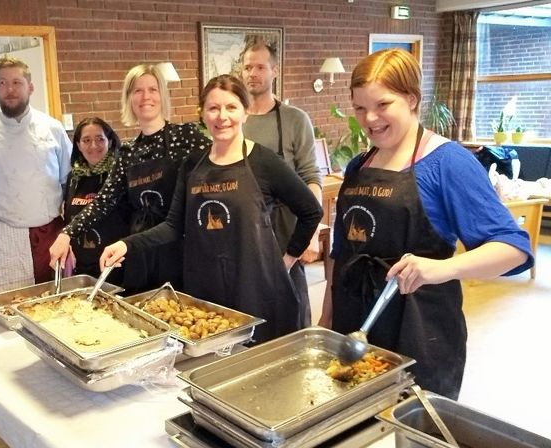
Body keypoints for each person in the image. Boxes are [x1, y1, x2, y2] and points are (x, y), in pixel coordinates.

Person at [319, 49, 532, 399]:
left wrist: (441, 268)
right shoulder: (359, 165)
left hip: (420, 329)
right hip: (354, 321)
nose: (369, 118)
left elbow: (513, 248)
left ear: (412, 99)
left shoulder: (448, 162)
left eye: (382, 104)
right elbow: (341, 251)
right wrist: (328, 320)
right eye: (359, 108)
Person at [101, 75, 323, 343]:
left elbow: (311, 210)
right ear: (203, 114)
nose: (222, 116)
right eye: (213, 108)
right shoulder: (193, 164)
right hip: (205, 289)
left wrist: (287, 259)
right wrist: (126, 245)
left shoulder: (264, 161)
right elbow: (173, 226)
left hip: (256, 287)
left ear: (245, 112)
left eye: (231, 107)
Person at [49, 63, 211, 293]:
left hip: (179, 246)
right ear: (129, 99)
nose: (146, 96)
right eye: (137, 90)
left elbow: (217, 171)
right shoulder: (127, 153)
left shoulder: (187, 137)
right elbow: (104, 201)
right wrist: (67, 233)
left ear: (162, 95)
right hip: (140, 248)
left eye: (152, 89)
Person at [0, 56, 72, 293]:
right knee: (6, 307)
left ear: (30, 87)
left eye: (16, 83)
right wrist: (3, 210)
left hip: (49, 234)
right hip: (4, 235)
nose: (9, 90)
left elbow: (67, 181)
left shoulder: (52, 128)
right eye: (2, 83)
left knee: (55, 303)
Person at [240, 38, 323, 328]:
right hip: (242, 234)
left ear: (274, 71)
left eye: (260, 66)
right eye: (248, 66)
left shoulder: (294, 120)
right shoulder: (231, 122)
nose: (253, 73)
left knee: (290, 314)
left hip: (284, 232)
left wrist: (311, 234)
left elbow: (311, 176)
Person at [64, 117, 130, 281]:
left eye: (100, 139)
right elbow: (68, 217)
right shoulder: (73, 178)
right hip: (82, 268)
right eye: (86, 140)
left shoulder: (121, 175)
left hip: (116, 265)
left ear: (110, 142)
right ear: (78, 145)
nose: (93, 146)